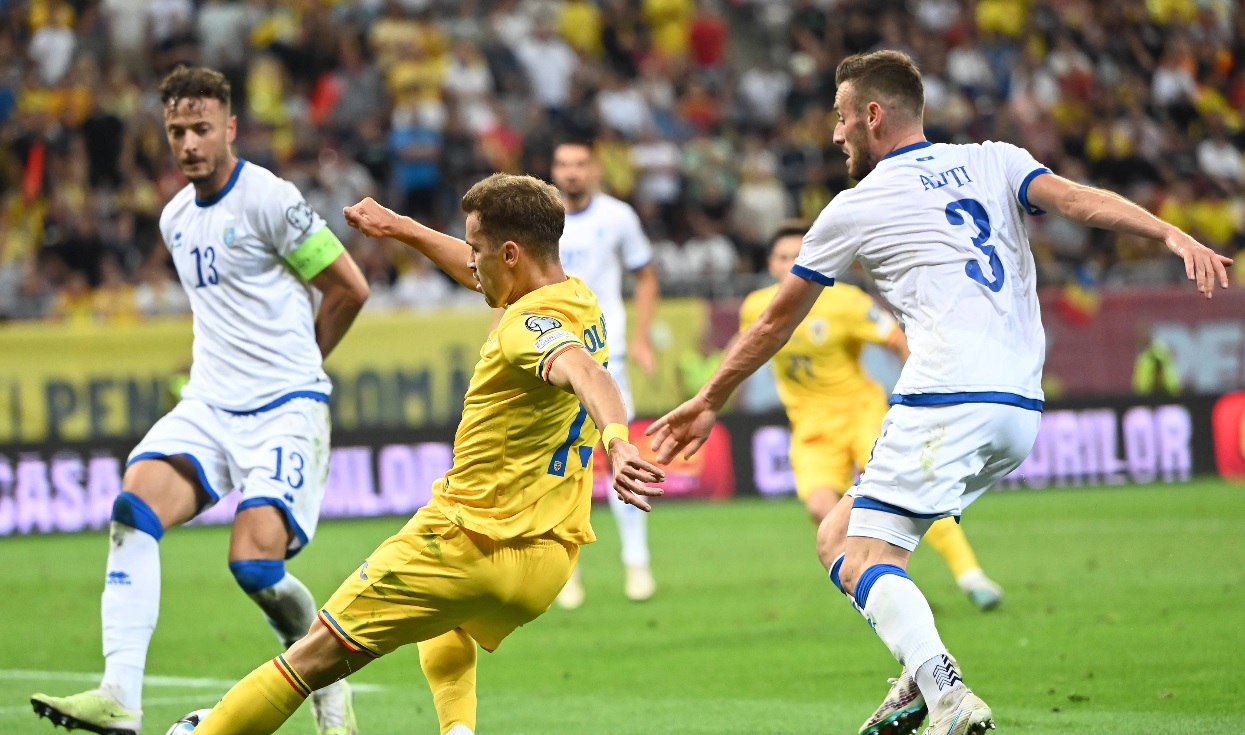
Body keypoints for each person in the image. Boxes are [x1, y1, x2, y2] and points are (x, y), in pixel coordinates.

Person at [647, 50, 1230, 735]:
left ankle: (946, 691)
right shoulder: (996, 158)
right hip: (1017, 409)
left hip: (945, 394)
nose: (833, 135)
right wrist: (1166, 230)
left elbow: (777, 318)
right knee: (838, 531)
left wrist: (710, 397)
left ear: (872, 114)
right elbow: (1076, 201)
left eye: (839, 118)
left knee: (856, 556)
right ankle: (916, 678)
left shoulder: (854, 207)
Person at [182, 174, 666, 735]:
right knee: (446, 620)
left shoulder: (522, 329)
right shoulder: (578, 297)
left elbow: (580, 370)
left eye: (478, 248)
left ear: (509, 254)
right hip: (548, 562)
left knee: (311, 655)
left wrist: (619, 441)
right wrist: (400, 227)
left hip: (467, 544)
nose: (471, 261)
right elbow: (492, 279)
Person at [30, 67, 371, 735]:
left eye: (201, 129)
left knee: (255, 565)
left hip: (285, 407)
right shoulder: (174, 218)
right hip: (211, 404)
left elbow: (349, 287)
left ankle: (332, 692)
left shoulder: (270, 198)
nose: (188, 143)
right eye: (177, 131)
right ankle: (120, 694)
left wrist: (302, 364)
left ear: (230, 129)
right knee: (134, 504)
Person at [744, 223, 1004, 610]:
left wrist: (922, 398)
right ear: (771, 264)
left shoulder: (846, 302)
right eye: (783, 257)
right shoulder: (754, 306)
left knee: (907, 493)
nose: (791, 264)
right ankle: (879, 585)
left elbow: (897, 340)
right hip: (811, 426)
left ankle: (970, 575)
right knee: (820, 509)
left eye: (799, 256)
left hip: (861, 415)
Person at [546, 139, 662, 606]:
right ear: (553, 170)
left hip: (605, 355)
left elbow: (646, 274)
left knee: (621, 453)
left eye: (579, 164)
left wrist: (640, 337)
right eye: (563, 164)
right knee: (558, 465)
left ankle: (637, 563)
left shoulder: (618, 217)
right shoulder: (540, 219)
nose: (571, 172)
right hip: (551, 356)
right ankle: (564, 570)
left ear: (594, 169)